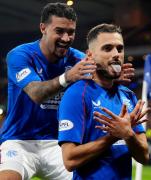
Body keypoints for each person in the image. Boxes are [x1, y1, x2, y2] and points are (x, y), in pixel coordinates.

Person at [0, 2, 134, 180]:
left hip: (58, 143)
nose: (66, 37)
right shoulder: (21, 55)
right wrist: (67, 77)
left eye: (71, 32)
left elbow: (99, 80)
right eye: (59, 31)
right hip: (19, 141)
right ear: (43, 28)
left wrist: (112, 75)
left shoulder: (78, 58)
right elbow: (36, 94)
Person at [58, 23, 150, 180]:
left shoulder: (128, 96)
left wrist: (128, 135)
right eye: (107, 48)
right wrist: (114, 136)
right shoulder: (76, 94)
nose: (116, 54)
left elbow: (144, 157)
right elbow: (69, 160)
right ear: (90, 56)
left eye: (119, 49)